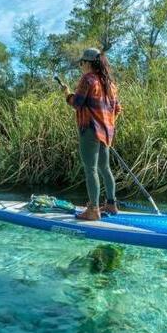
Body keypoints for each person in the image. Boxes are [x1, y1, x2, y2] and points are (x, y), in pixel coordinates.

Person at [60, 48, 122, 221]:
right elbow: (117, 109)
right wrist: (107, 124)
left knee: (91, 169)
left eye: (82, 62)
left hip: (90, 130)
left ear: (88, 63)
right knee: (105, 168)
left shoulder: (88, 79)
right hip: (106, 133)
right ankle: (111, 204)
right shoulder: (111, 84)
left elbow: (77, 103)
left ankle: (93, 210)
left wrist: (67, 94)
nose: (81, 66)